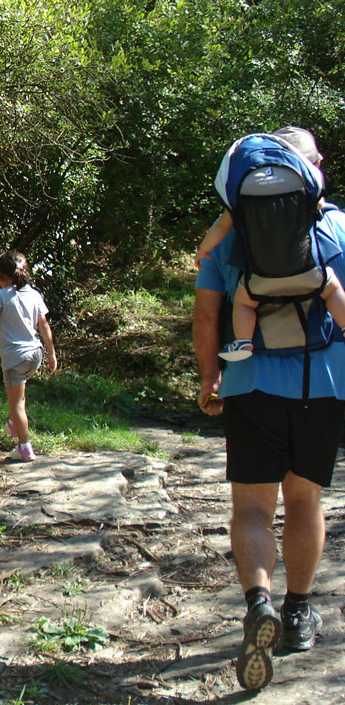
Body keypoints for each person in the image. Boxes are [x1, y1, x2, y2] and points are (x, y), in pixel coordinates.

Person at [194, 125, 343, 691]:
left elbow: (207, 317)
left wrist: (210, 378)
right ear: (311, 170)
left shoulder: (230, 236)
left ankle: (259, 601)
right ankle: (300, 611)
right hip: (322, 382)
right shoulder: (339, 228)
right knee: (304, 501)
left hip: (250, 381)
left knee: (252, 509)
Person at [194, 130, 345, 362]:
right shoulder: (324, 211)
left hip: (259, 281)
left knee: (244, 303)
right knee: (332, 289)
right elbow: (320, 203)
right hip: (311, 274)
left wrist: (203, 249)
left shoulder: (242, 208)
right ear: (315, 165)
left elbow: (205, 317)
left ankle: (243, 342)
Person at [0, 250, 58, 462]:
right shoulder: (34, 294)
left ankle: (24, 447)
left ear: (1, 276)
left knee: (16, 404)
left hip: (15, 357)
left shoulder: (0, 296)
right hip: (35, 356)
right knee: (19, 398)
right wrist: (51, 352)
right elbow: (43, 325)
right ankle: (14, 423)